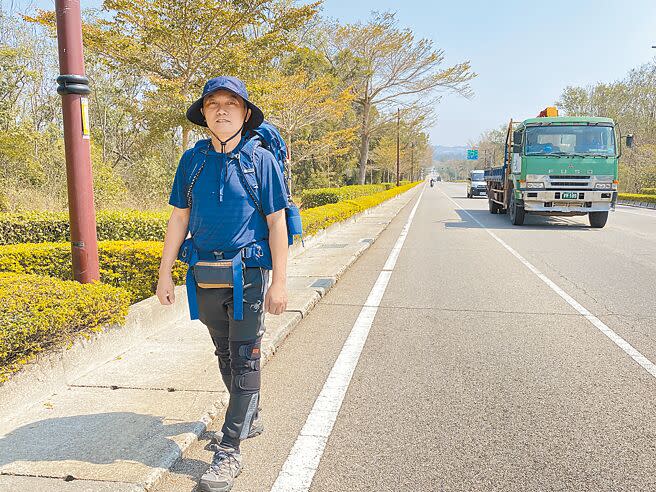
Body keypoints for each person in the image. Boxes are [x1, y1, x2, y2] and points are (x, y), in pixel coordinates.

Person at [156, 76, 289, 492]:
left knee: (245, 357)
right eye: (213, 103)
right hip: (204, 276)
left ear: (245, 113)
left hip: (248, 275)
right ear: (205, 114)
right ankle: (249, 414)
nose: (222, 109)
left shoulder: (260, 161)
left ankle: (230, 449)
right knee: (223, 353)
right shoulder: (192, 161)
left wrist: (279, 283)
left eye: (231, 103)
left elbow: (276, 222)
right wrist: (164, 273)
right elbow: (179, 218)